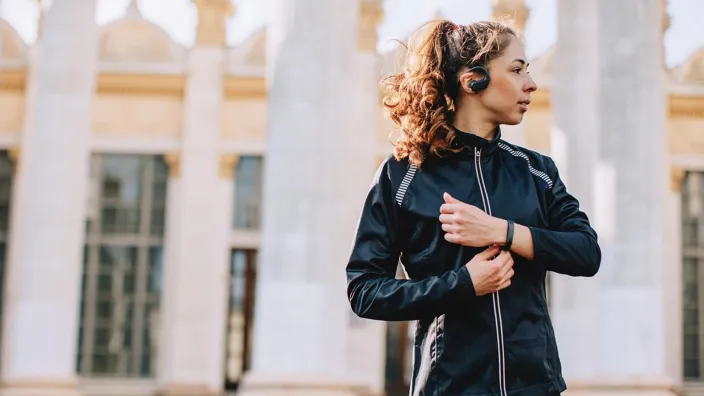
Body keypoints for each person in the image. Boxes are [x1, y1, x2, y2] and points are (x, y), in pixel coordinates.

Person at [345, 19, 601, 396]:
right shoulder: (401, 176)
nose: (531, 84)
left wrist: (503, 231)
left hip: (535, 388)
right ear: (472, 80)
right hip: (448, 388)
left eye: (528, 70)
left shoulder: (537, 170)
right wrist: (463, 284)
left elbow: (586, 252)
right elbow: (364, 290)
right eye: (516, 70)